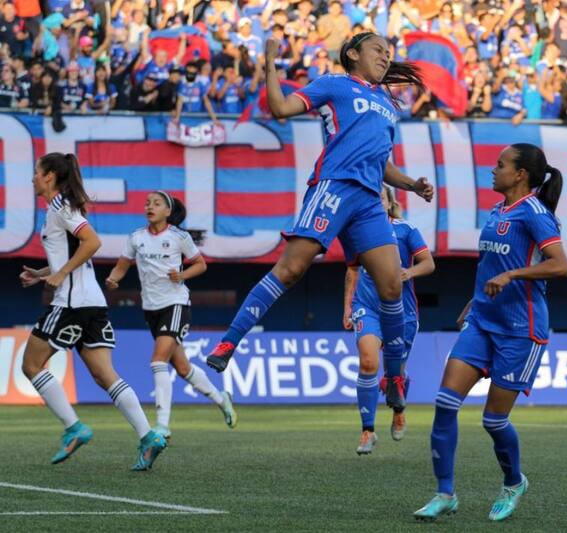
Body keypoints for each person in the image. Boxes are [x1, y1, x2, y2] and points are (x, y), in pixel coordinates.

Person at [204, 33, 434, 417]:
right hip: (335, 187)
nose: (385, 56)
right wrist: (271, 62)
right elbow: (279, 108)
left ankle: (394, 377)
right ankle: (229, 343)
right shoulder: (333, 85)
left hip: (369, 201)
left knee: (392, 285)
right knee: (292, 269)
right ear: (353, 53)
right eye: (378, 49)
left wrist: (412, 185)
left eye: (388, 53)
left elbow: (382, 163)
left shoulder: (387, 103)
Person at [413, 143, 567, 522]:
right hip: (482, 321)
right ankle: (444, 493)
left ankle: (514, 482)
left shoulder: (536, 214)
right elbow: (493, 263)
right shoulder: (498, 210)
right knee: (446, 403)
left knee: (493, 421)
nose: (492, 169)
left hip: (521, 329)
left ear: (520, 175)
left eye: (500, 165)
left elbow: (561, 266)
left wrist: (512, 275)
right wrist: (474, 300)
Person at [18, 152, 167, 471]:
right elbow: (76, 254)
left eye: (36, 172)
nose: (32, 177)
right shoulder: (59, 209)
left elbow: (92, 242)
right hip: (92, 302)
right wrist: (44, 274)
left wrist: (58, 276)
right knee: (104, 375)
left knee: (31, 364)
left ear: (49, 177)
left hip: (71, 303)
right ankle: (148, 436)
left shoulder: (61, 207)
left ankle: (74, 427)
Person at [105, 191, 238, 439]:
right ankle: (222, 400)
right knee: (183, 367)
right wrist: (114, 278)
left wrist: (182, 275)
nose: (150, 206)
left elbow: (200, 264)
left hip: (175, 304)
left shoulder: (179, 237)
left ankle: (163, 425)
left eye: (156, 203)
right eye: (147, 203)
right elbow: (122, 265)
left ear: (168, 211)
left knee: (157, 361)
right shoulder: (136, 237)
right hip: (151, 308)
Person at [343, 185, 434, 454]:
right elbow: (352, 272)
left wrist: (409, 272)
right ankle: (367, 430)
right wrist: (347, 306)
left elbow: (428, 263)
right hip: (367, 307)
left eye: (380, 198)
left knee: (396, 373)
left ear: (388, 203)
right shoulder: (357, 231)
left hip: (401, 312)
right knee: (368, 361)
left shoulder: (406, 230)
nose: (375, 202)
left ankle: (398, 409)